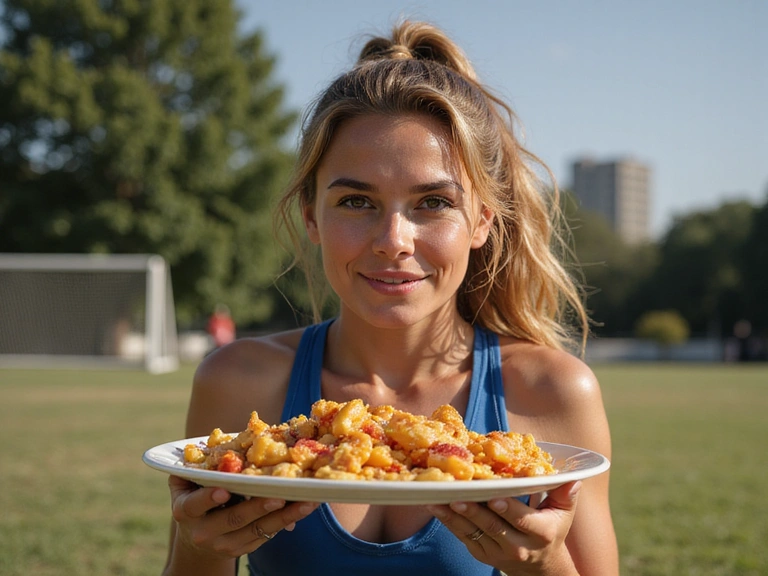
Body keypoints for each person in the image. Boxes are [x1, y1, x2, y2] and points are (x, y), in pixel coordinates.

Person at [162, 20, 618, 576]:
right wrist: (198, 548)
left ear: (480, 220)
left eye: (432, 203)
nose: (392, 241)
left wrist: (543, 565)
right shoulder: (238, 381)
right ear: (312, 217)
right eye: (357, 202)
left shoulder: (552, 392)